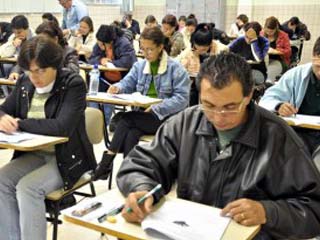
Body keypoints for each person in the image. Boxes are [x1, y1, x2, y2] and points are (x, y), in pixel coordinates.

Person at [116, 52, 320, 239]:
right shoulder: (186, 123)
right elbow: (142, 164)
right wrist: (142, 189)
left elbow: (314, 210)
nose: (218, 117)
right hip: (189, 231)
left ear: (249, 96)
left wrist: (267, 212)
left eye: (230, 107)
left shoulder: (278, 138)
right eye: (209, 105)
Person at [0, 35, 96, 240]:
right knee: (1, 180)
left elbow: (62, 127)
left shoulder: (73, 83)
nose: (35, 77)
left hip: (67, 158)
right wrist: (3, 118)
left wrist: (19, 123)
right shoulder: (25, 83)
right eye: (30, 70)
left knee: (28, 188)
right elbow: (3, 109)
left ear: (55, 65)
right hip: (35, 155)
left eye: (41, 70)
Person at [92, 27, 189, 181]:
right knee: (131, 132)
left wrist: (157, 107)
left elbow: (182, 99)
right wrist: (118, 87)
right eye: (143, 49)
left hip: (166, 118)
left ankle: (106, 163)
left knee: (126, 119)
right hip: (143, 116)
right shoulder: (140, 66)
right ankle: (130, 175)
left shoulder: (176, 69)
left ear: (160, 47)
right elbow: (127, 82)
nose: (145, 53)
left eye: (150, 49)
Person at [259, 36, 320, 154]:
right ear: (313, 56)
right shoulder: (295, 75)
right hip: (299, 133)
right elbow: (267, 99)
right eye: (319, 66)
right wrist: (279, 106)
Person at [88, 24, 137, 125]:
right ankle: (93, 123)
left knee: (108, 101)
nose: (100, 46)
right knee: (92, 96)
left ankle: (103, 126)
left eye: (102, 45)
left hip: (120, 81)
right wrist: (101, 60)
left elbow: (128, 61)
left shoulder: (124, 43)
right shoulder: (100, 43)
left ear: (109, 42)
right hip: (103, 78)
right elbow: (91, 59)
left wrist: (110, 63)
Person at [9, 21, 79, 81]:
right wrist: (15, 72)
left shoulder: (69, 52)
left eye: (43, 40)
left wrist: (48, 72)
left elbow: (73, 72)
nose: (40, 42)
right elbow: (24, 62)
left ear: (55, 39)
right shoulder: (37, 49)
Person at [178, 23, 228, 106]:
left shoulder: (222, 50)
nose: (200, 52)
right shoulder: (190, 50)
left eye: (203, 49)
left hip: (216, 84)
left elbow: (225, 72)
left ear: (210, 44)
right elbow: (180, 67)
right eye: (197, 49)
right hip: (195, 84)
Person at [261, 16, 291, 83]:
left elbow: (289, 51)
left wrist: (277, 51)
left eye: (271, 31)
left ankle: (268, 89)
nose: (269, 33)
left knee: (269, 74)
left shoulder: (283, 36)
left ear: (276, 29)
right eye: (267, 30)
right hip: (263, 61)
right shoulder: (261, 34)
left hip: (278, 61)